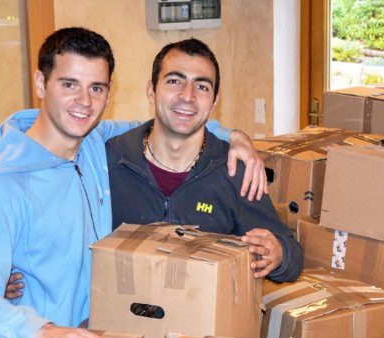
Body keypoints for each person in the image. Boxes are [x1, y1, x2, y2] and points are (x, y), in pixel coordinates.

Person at [0, 28, 266, 338]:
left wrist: (236, 137)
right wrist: (44, 331)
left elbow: (173, 120)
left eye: (96, 88)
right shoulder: (5, 186)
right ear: (41, 84)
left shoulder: (95, 141)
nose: (84, 101)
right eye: (69, 84)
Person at [106, 38, 302, 282]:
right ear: (151, 91)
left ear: (214, 102)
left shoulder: (234, 171)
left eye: (201, 86)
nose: (187, 96)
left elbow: (292, 255)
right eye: (174, 81)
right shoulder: (110, 162)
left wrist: (279, 254)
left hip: (203, 304)